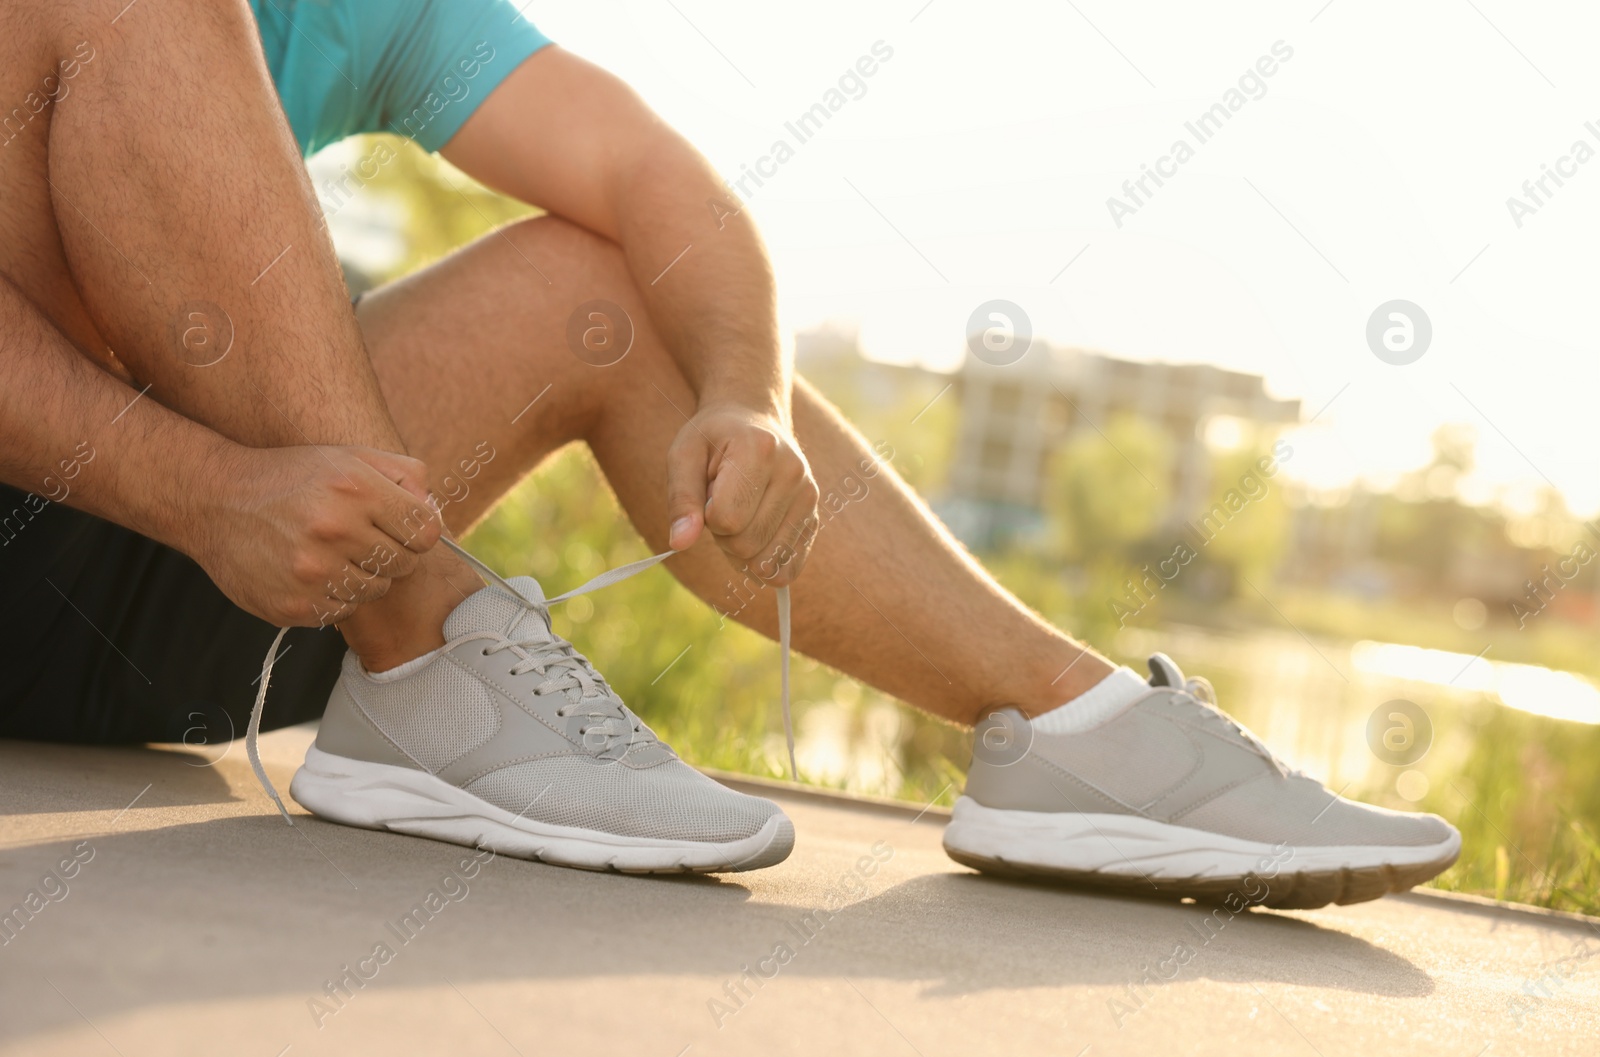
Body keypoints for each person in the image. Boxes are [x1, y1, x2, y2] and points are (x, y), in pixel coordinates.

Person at [0, 0, 1457, 908]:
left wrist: (747, 397)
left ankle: (1069, 734)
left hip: (201, 589)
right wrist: (208, 492)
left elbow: (653, 180)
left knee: (605, 284)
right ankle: (421, 635)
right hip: (129, 527)